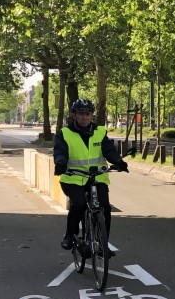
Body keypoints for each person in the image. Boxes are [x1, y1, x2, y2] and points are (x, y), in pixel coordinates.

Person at [53, 99, 128, 251]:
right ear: (74, 115)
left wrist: (118, 161)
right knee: (79, 204)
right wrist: (60, 162)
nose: (84, 117)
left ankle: (102, 242)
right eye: (81, 113)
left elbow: (108, 150)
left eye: (87, 114)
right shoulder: (65, 133)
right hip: (73, 178)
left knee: (105, 208)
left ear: (92, 115)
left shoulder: (100, 132)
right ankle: (69, 235)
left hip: (97, 178)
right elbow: (60, 151)